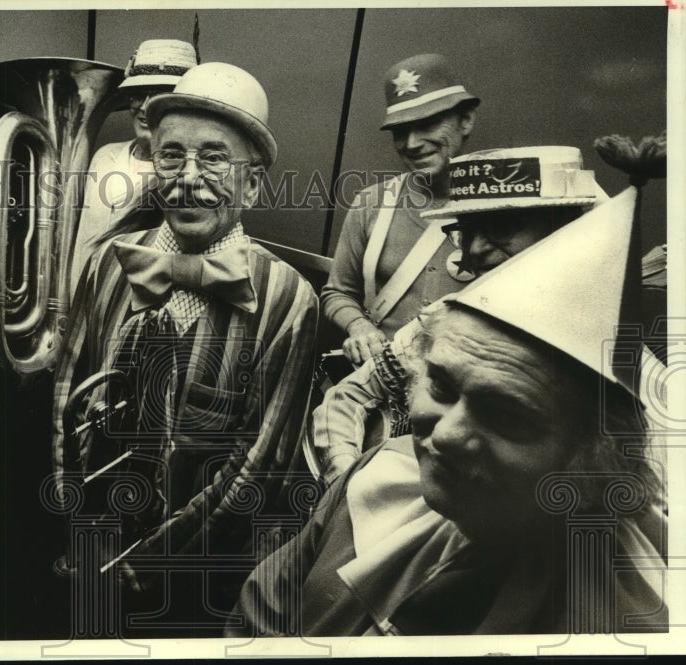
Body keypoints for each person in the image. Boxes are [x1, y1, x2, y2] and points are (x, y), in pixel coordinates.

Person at [229, 187, 667, 636]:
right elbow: (260, 619)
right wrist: (342, 485)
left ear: (596, 459)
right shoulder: (376, 476)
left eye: (507, 416)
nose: (446, 435)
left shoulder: (620, 622)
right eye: (440, 386)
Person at [53, 62, 318, 634]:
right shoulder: (108, 262)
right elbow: (66, 399)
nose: (188, 178)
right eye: (171, 156)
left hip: (199, 580)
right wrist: (77, 521)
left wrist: (154, 559)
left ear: (253, 184)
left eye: (214, 158)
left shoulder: (290, 299)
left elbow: (260, 463)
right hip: (95, 549)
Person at [312, 146, 606, 483]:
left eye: (501, 228)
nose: (475, 249)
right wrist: (347, 484)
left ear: (564, 232)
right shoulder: (441, 320)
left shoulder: (604, 355)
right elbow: (345, 398)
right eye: (466, 231)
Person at [322, 53, 480, 366]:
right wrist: (359, 325)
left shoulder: (502, 214)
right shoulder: (371, 203)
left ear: (466, 120)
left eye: (428, 123)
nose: (411, 143)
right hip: (379, 382)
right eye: (400, 131)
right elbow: (337, 292)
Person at [69, 39, 199, 297]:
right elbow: (81, 250)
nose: (144, 105)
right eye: (138, 93)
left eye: (158, 94)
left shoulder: (194, 175)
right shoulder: (105, 156)